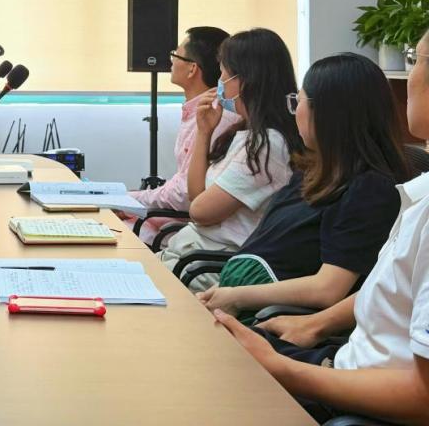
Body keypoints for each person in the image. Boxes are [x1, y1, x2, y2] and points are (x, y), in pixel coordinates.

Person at [214, 31, 429, 424]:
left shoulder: (376, 191)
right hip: (345, 363)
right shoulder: (415, 195)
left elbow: (423, 397)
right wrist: (314, 325)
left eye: (416, 58)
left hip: (357, 390)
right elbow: (388, 291)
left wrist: (281, 367)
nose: (410, 72)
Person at [197, 53, 409, 322]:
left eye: (299, 101)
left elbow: (327, 289)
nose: (295, 111)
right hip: (242, 304)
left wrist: (236, 296)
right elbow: (268, 247)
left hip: (273, 321)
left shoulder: (369, 190)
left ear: (329, 114)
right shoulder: (312, 171)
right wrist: (224, 294)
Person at [158, 28, 305, 290]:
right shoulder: (243, 132)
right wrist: (204, 132)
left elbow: (200, 212)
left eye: (224, 72)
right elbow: (196, 195)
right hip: (190, 254)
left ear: (246, 79)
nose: (220, 80)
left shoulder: (267, 145)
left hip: (209, 267)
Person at [127, 26, 239, 245]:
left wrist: (131, 200)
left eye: (175, 55)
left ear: (192, 69)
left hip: (190, 230)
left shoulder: (215, 116)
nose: (171, 61)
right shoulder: (200, 110)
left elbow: (185, 193)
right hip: (178, 223)